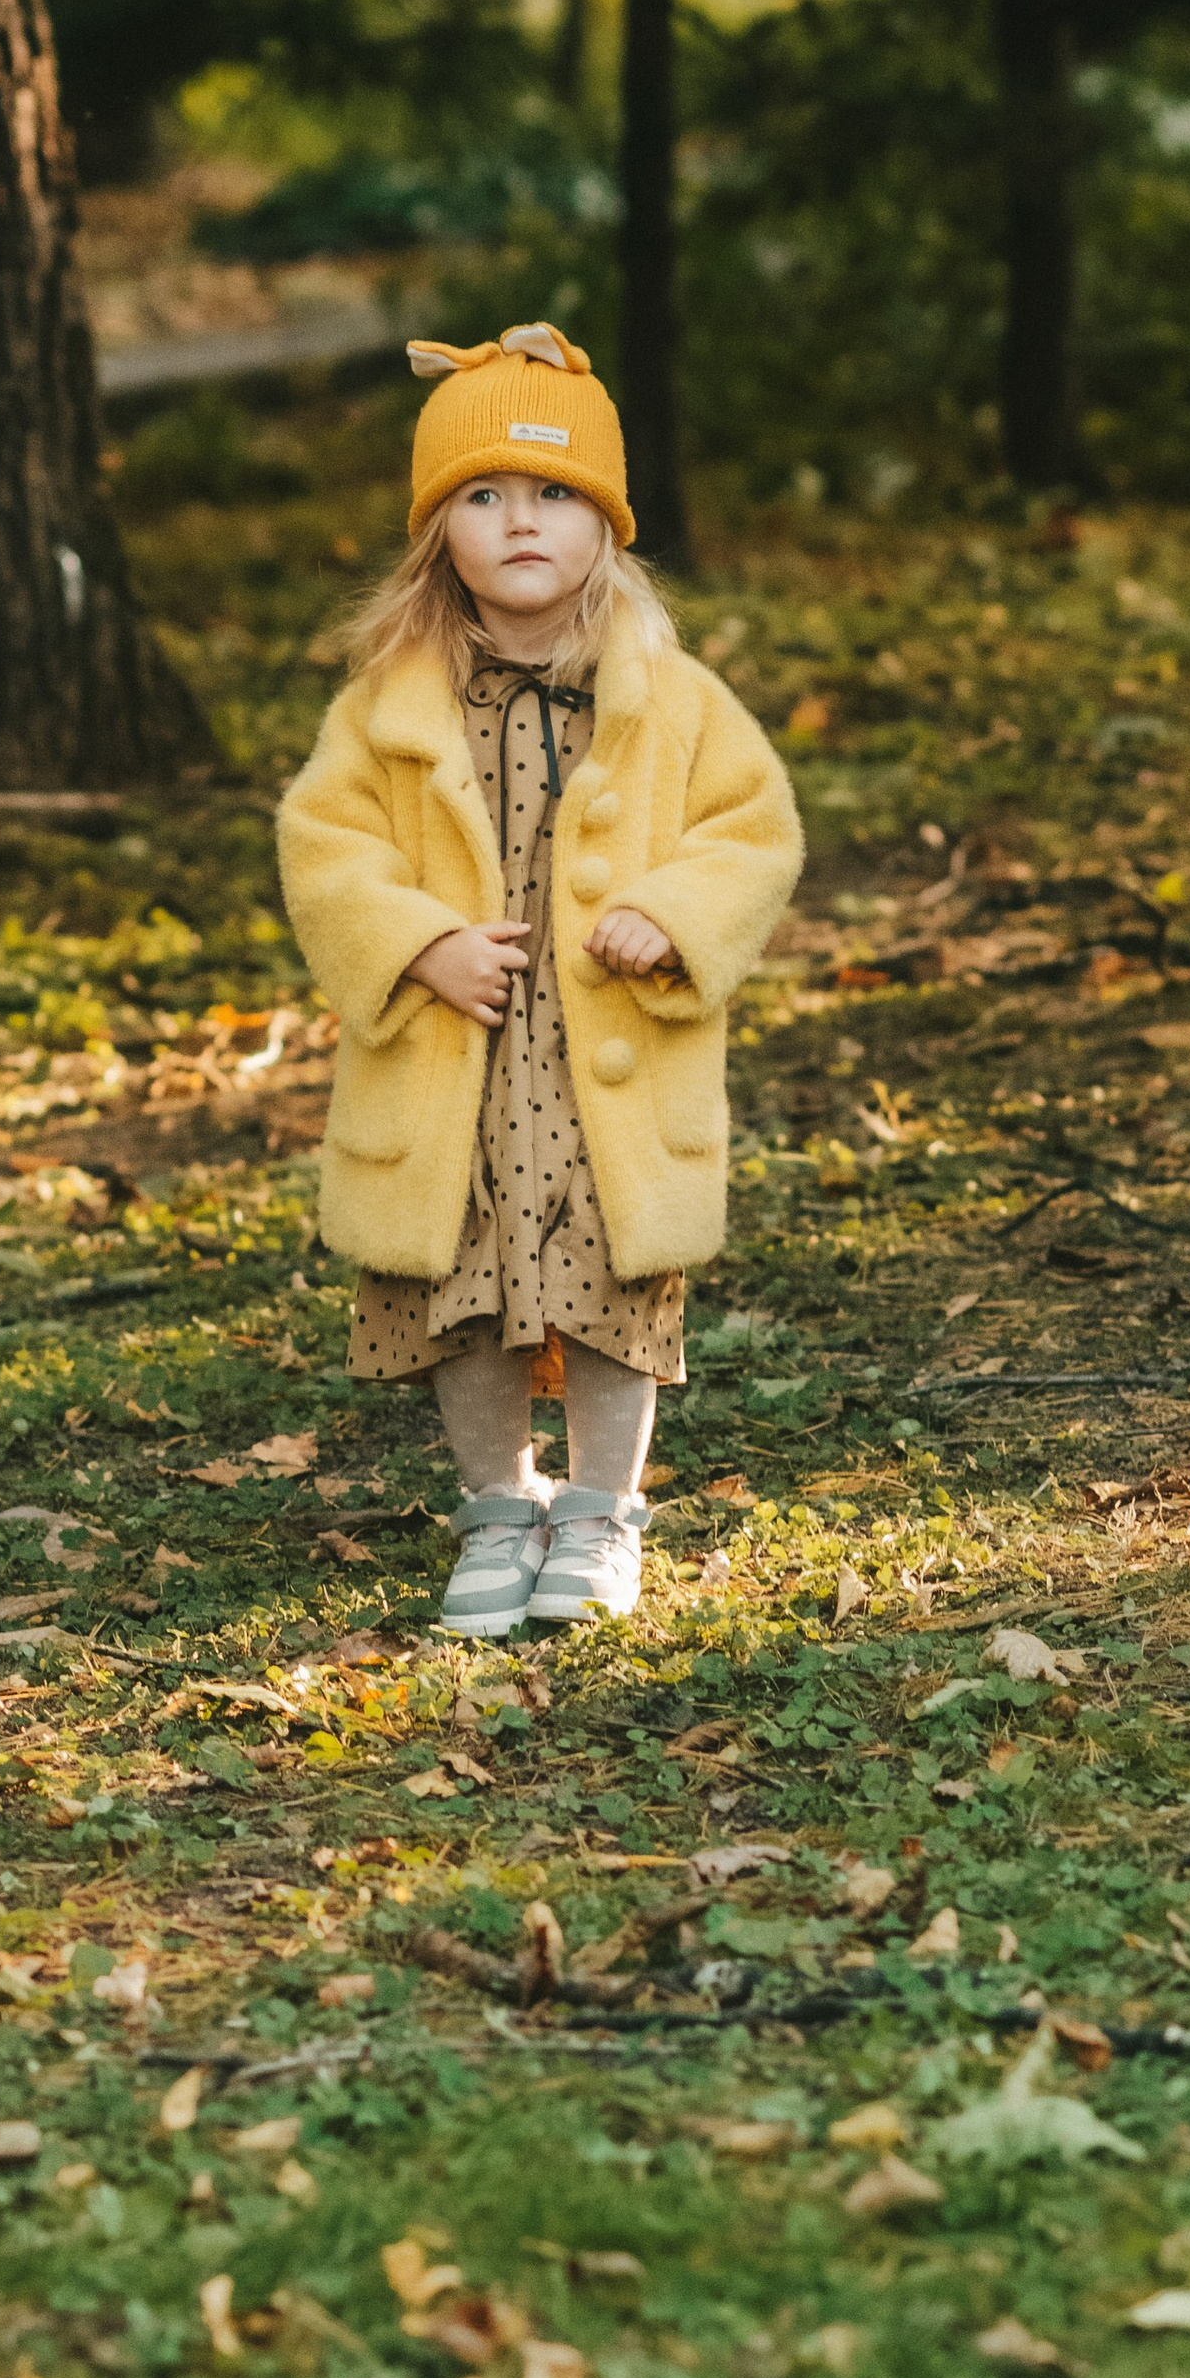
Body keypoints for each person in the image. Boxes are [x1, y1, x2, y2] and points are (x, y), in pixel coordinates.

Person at [277, 325, 802, 1634]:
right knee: (465, 1288)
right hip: (460, 1062)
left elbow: (752, 830)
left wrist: (673, 917)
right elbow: (323, 847)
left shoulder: (669, 699)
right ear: (437, 528)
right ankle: (498, 1507)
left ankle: (601, 1512)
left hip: (602, 1066)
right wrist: (413, 942)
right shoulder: (387, 708)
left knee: (613, 1287)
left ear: (607, 526)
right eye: (485, 495)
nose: (522, 521)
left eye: (556, 493)